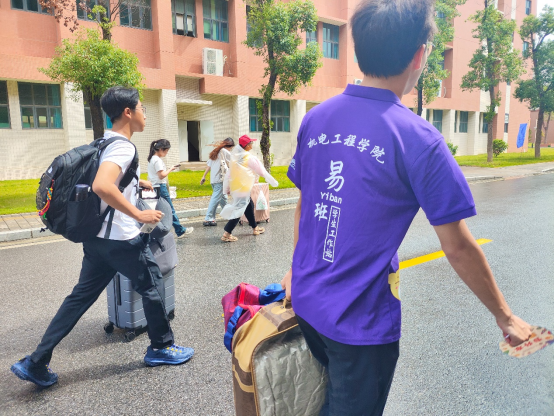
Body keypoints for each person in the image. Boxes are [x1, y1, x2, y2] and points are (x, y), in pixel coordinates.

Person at [280, 1, 532, 415]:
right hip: (358, 326)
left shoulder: (317, 118)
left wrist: (295, 270)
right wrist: (506, 318)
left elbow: (307, 204)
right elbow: (458, 247)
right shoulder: (420, 140)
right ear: (420, 55)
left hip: (308, 303)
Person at [11, 86, 194, 388]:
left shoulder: (104, 141)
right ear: (128, 112)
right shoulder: (124, 147)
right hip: (121, 240)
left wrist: (137, 182)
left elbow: (110, 178)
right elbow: (102, 185)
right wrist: (139, 215)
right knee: (152, 285)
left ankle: (36, 361)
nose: (145, 114)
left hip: (96, 240)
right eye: (142, 108)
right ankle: (161, 347)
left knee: (79, 298)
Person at [220, 135, 278, 242]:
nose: (252, 144)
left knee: (249, 205)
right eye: (251, 143)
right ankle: (227, 234)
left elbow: (229, 173)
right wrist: (273, 181)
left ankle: (255, 227)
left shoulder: (236, 157)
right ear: (246, 146)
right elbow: (262, 171)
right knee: (239, 209)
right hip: (243, 188)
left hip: (236, 187)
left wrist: (227, 187)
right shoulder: (249, 158)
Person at [147, 139, 193, 238]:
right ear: (161, 149)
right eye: (166, 150)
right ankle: (180, 230)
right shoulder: (157, 160)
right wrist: (171, 169)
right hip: (160, 187)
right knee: (170, 210)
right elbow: (161, 175)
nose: (167, 153)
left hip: (154, 187)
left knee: (158, 210)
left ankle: (150, 233)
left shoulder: (152, 159)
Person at [200, 137, 234, 226]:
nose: (231, 149)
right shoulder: (225, 151)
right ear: (229, 146)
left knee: (223, 198)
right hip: (220, 179)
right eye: (231, 148)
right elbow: (234, 161)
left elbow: (209, 165)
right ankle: (208, 218)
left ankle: (229, 215)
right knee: (215, 199)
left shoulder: (216, 151)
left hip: (214, 179)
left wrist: (204, 176)